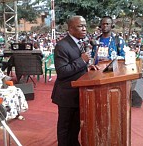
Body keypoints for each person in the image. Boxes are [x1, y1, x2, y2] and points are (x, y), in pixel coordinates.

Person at [51, 15, 99, 146]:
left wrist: (88, 66)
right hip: (66, 94)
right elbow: (62, 72)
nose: (84, 29)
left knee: (75, 126)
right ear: (71, 29)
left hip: (78, 92)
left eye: (85, 25)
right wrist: (82, 60)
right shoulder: (62, 46)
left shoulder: (79, 42)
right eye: (80, 26)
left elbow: (76, 65)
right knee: (65, 127)